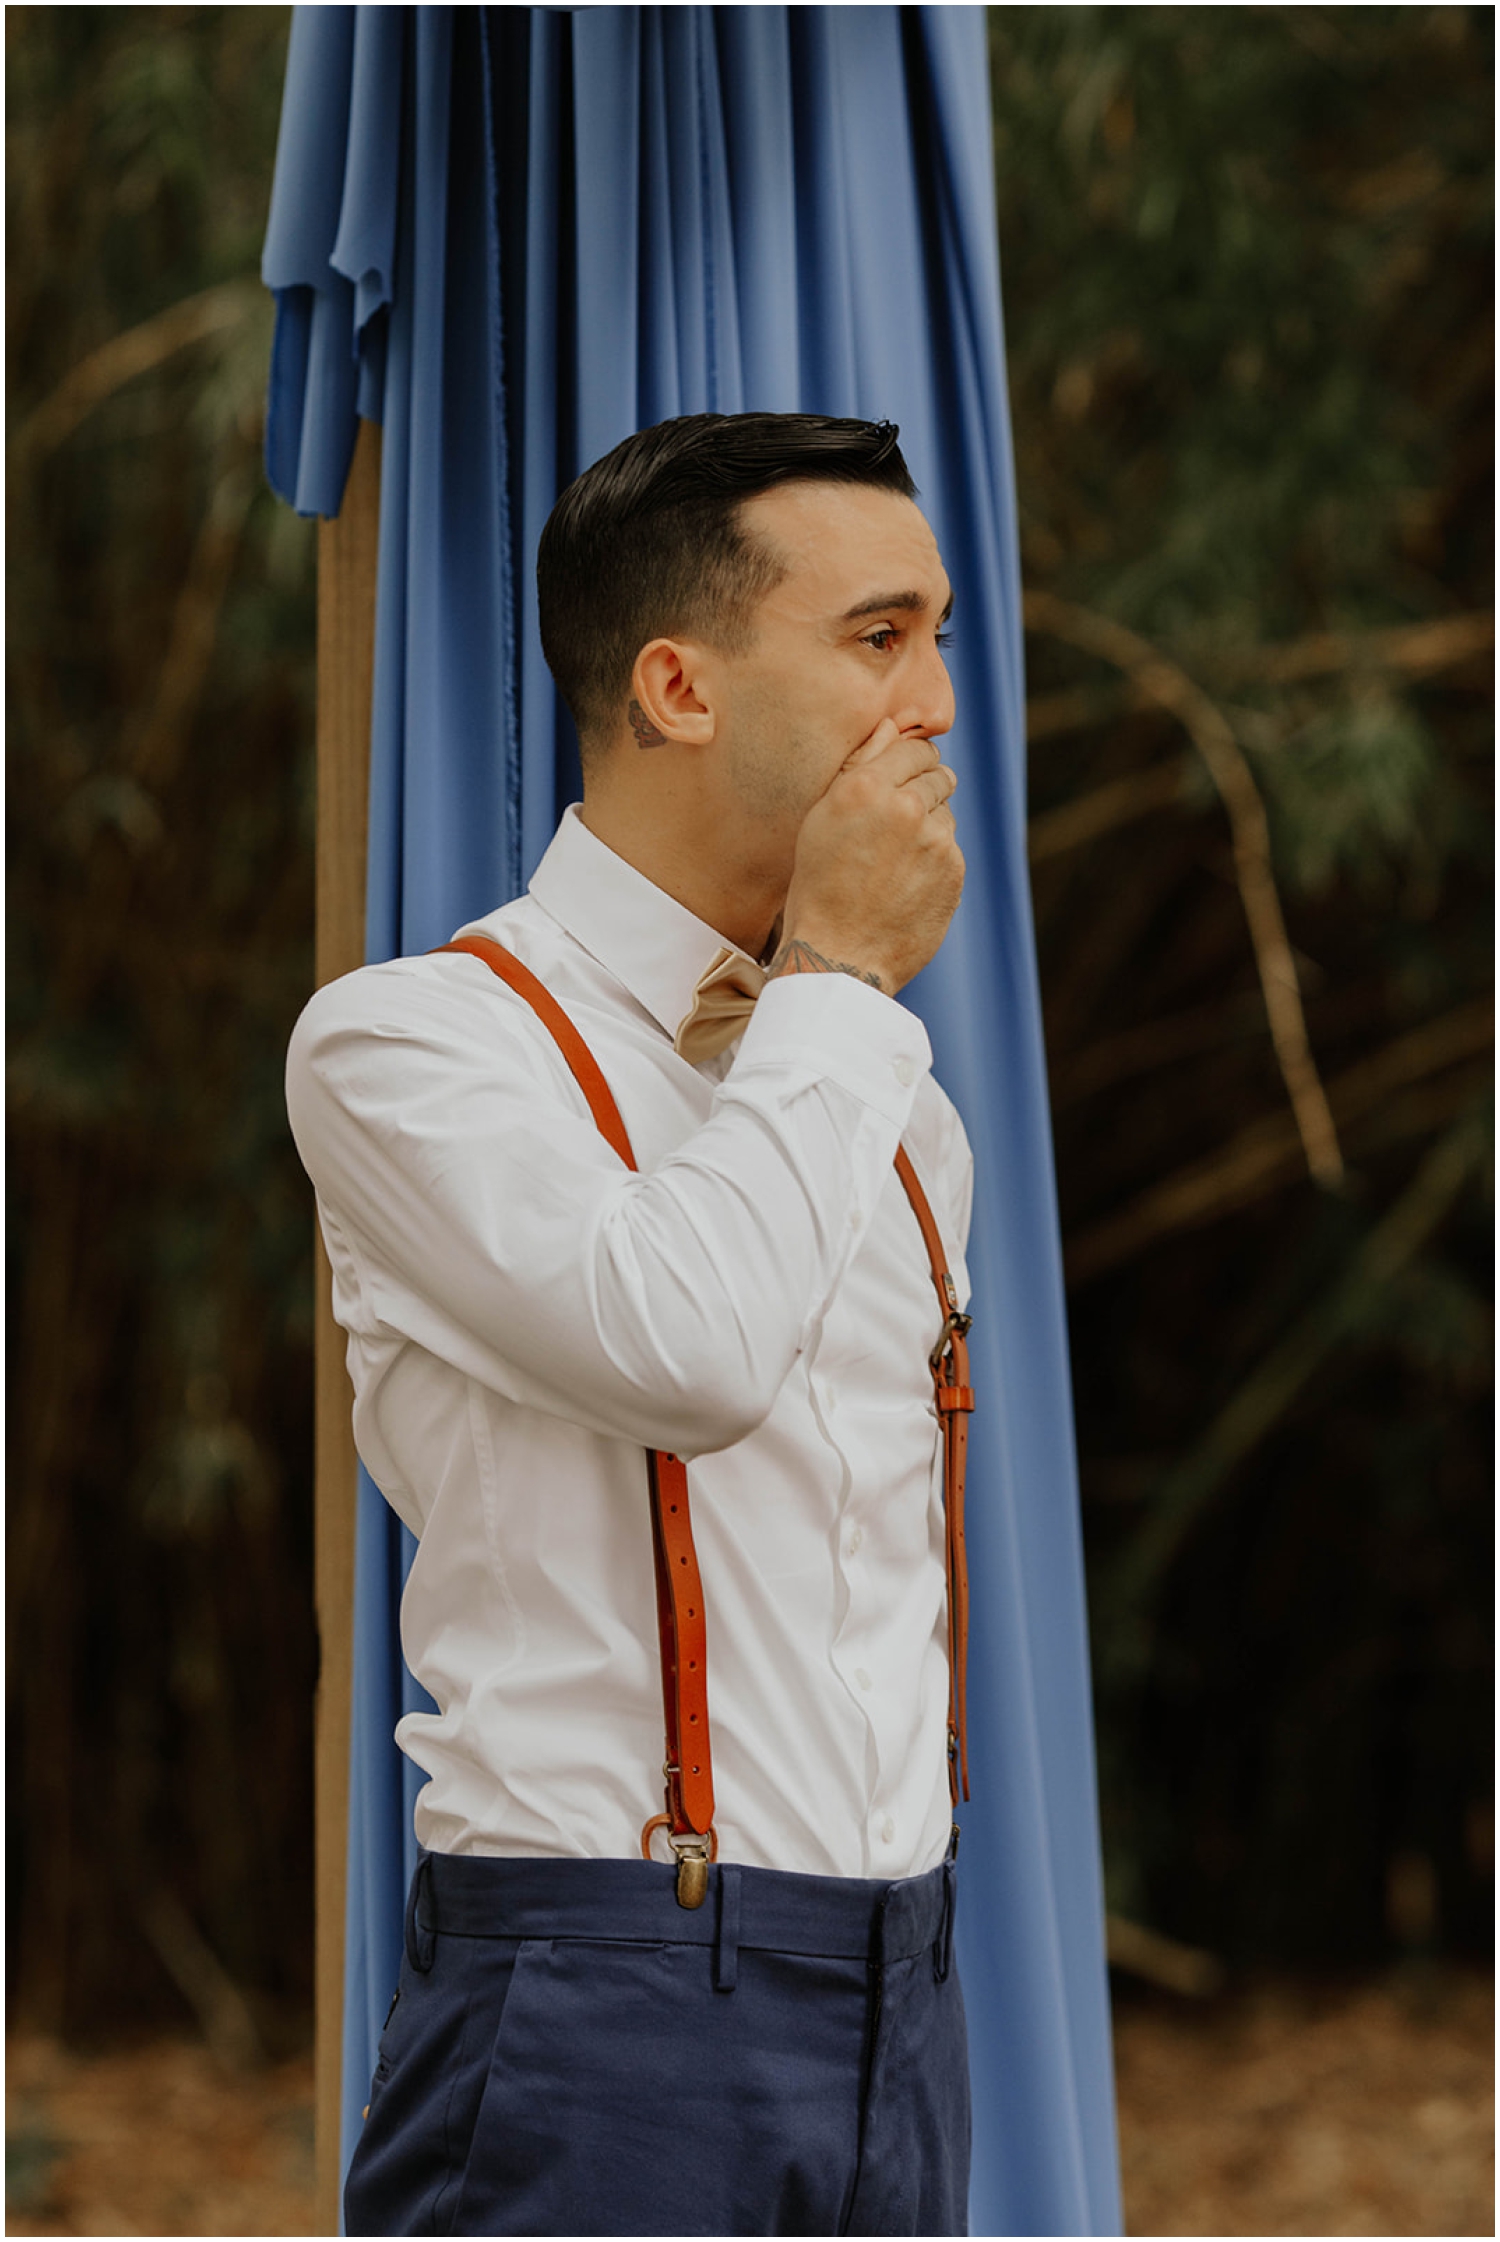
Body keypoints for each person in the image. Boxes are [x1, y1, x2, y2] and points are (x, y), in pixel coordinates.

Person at [287, 411, 974, 2238]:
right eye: (876, 638)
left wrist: (833, 1014)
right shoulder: (411, 1044)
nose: (936, 709)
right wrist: (835, 977)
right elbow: (687, 1350)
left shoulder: (900, 1109)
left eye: (939, 638)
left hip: (904, 1993)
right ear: (678, 684)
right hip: (603, 2005)